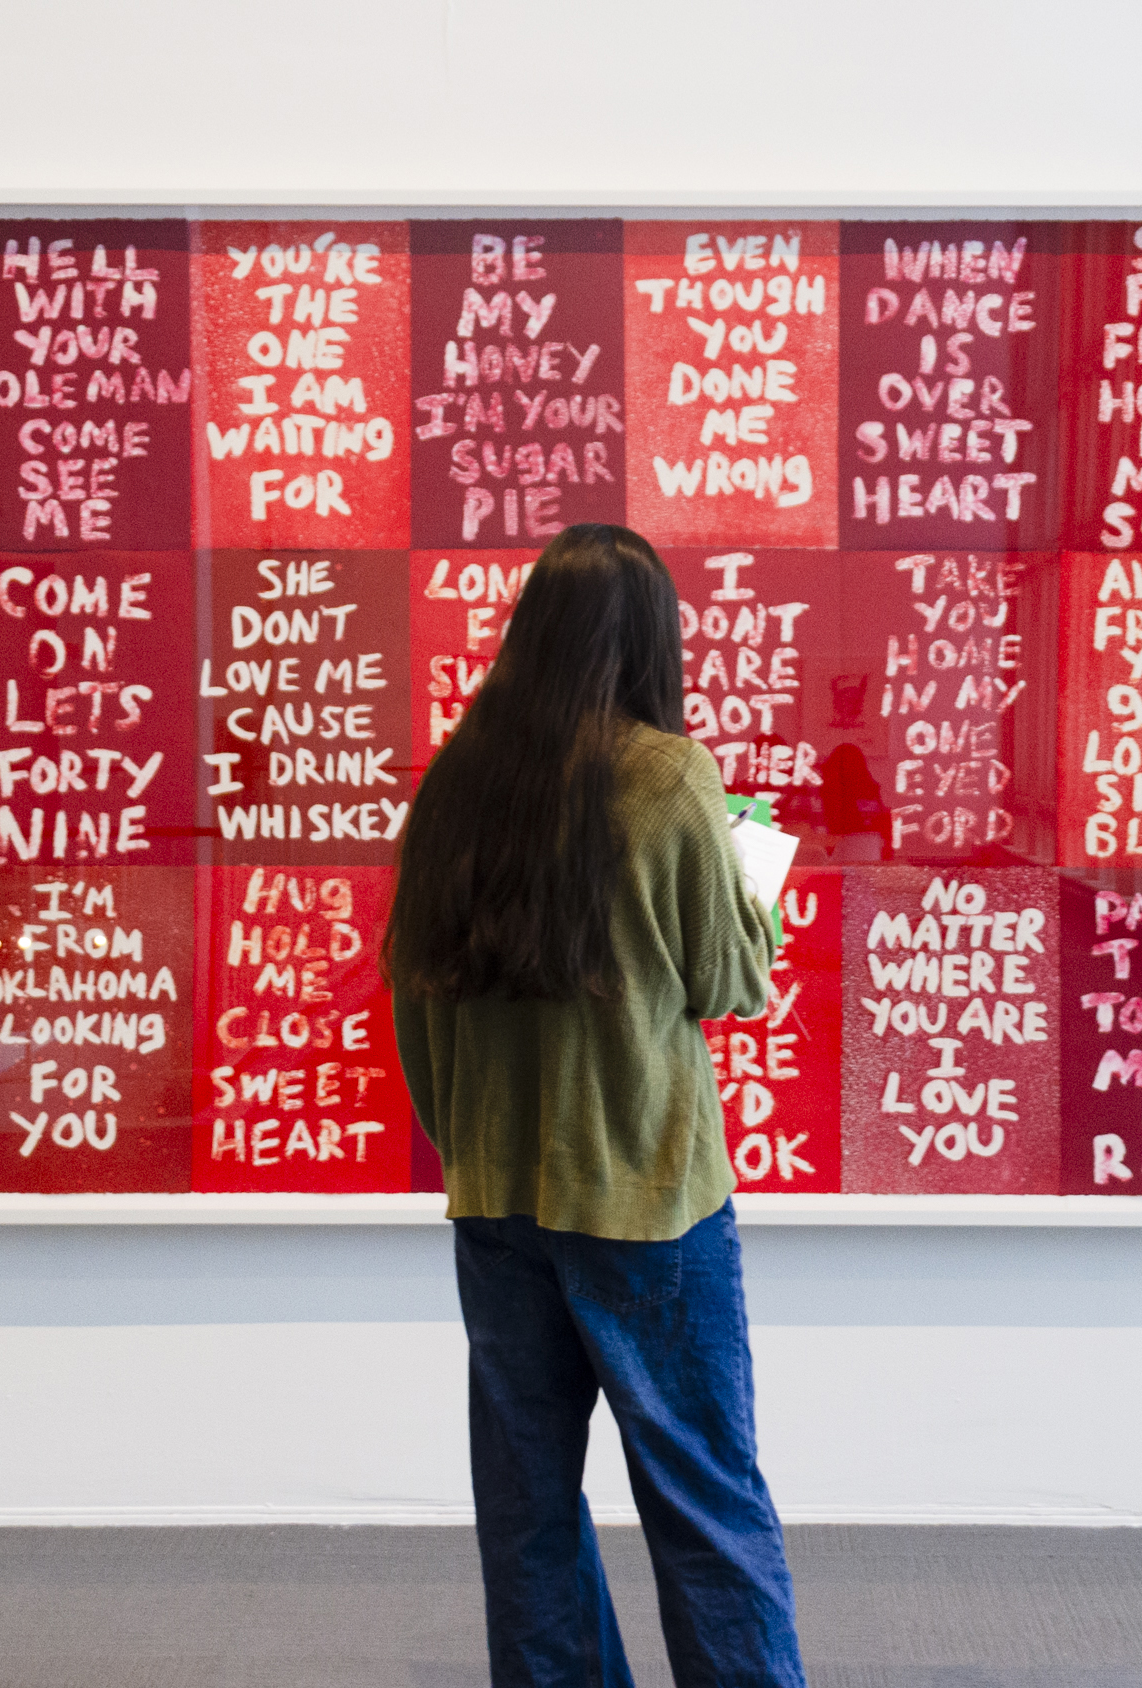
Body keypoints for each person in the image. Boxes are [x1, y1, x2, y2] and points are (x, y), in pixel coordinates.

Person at [388, 522, 806, 1688]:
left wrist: (473, 1140)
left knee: (526, 1507)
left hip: (496, 1203)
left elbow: (415, 999)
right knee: (704, 1493)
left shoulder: (457, 784)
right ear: (651, 641)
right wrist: (756, 873)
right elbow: (729, 980)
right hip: (649, 1205)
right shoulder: (668, 777)